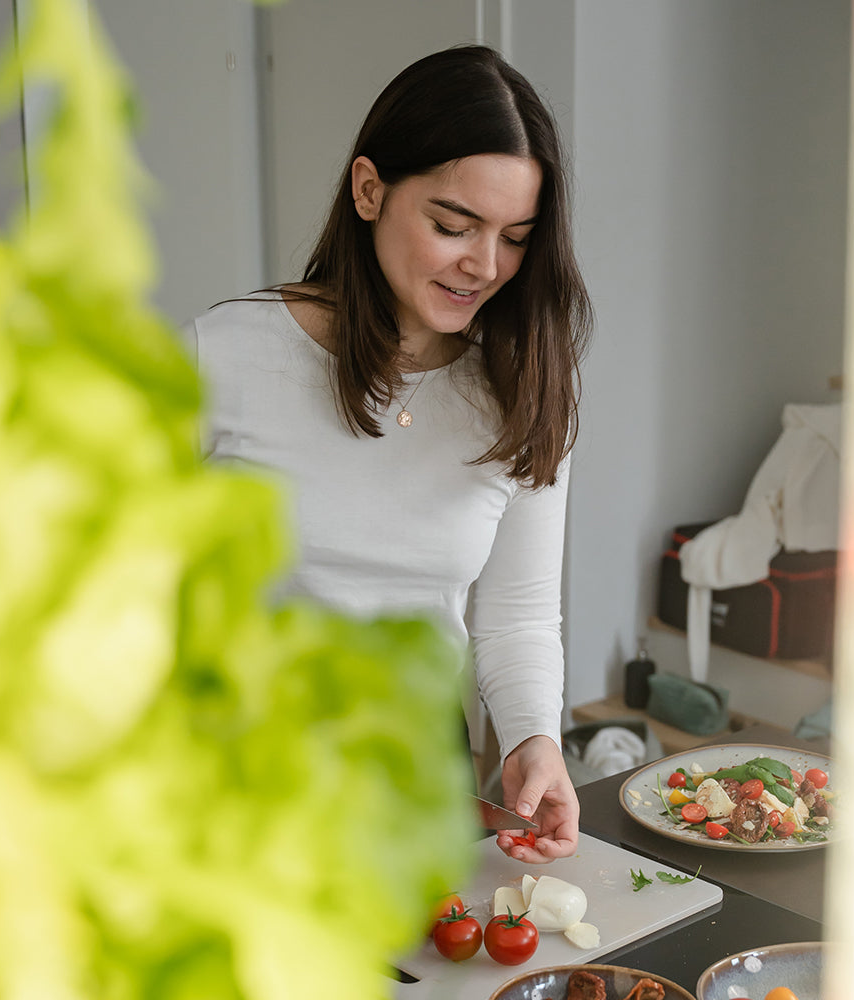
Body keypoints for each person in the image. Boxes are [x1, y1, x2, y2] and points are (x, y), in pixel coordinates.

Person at [182, 45, 590, 864]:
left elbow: (513, 618)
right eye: (452, 224)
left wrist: (532, 739)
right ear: (370, 190)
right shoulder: (221, 356)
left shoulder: (525, 387)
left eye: (514, 237)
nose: (484, 265)